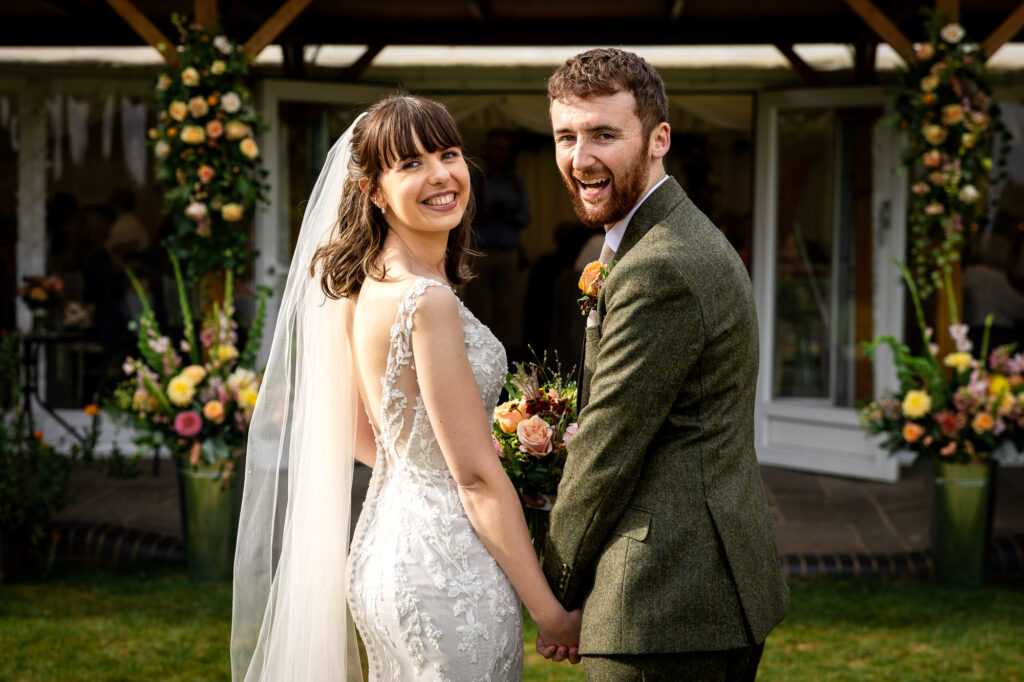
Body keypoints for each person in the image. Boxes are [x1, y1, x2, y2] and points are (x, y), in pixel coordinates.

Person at [231, 95, 580, 681]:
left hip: (385, 552)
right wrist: (550, 613)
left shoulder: (365, 285)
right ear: (372, 190)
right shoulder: (428, 301)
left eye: (448, 153)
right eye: (411, 163)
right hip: (447, 567)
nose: (441, 175)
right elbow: (472, 479)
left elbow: (359, 435)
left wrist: (423, 467)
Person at [537, 49, 789, 680]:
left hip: (661, 601)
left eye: (603, 134)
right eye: (566, 136)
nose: (580, 158)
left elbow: (607, 448)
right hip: (701, 585)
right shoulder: (661, 237)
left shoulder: (661, 267)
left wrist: (554, 589)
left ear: (658, 140)